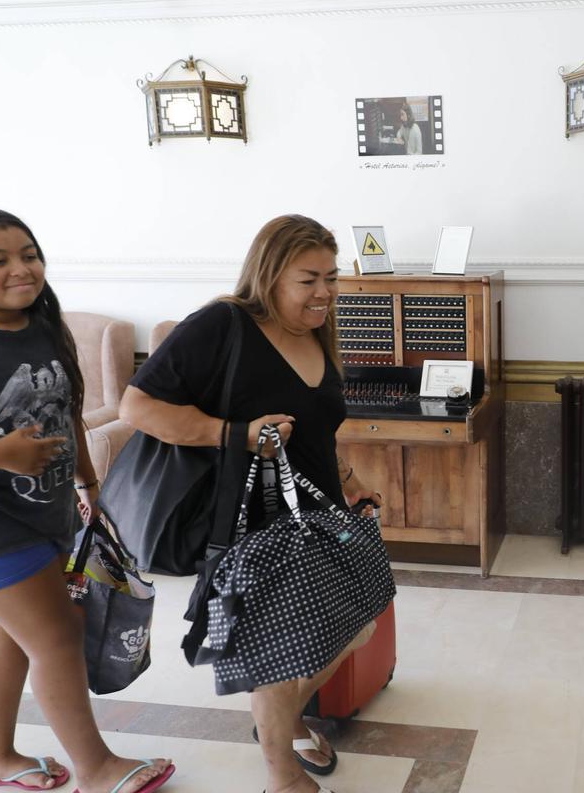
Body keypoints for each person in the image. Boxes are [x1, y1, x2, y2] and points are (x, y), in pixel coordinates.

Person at [119, 214, 381, 793]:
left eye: (332, 278)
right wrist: (234, 433)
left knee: (352, 625)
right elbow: (138, 407)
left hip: (313, 513)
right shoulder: (224, 323)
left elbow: (316, 427)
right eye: (308, 279)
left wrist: (349, 477)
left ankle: (277, 726)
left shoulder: (316, 330)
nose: (325, 293)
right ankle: (282, 778)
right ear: (268, 275)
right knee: (282, 652)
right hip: (250, 520)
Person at [0, 209, 174, 793]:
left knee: (9, 635)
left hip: (49, 513)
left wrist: (88, 487)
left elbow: (66, 413)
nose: (22, 268)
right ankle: (96, 770)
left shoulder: (44, 324)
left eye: (30, 254)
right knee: (56, 637)